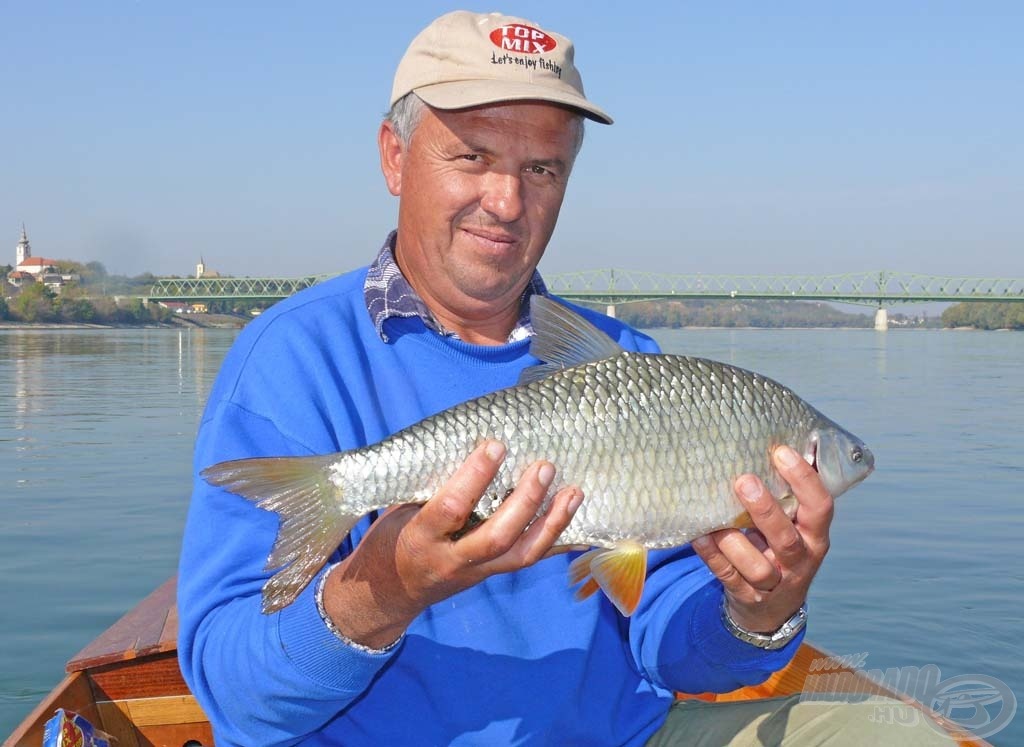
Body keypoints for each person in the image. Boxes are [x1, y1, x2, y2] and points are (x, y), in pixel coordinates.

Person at [178, 11, 952, 746]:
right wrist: (381, 590)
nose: (507, 201)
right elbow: (237, 690)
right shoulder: (288, 358)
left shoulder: (632, 362)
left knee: (901, 733)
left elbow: (674, 647)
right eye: (472, 155)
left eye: (541, 167)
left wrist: (759, 610)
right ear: (393, 155)